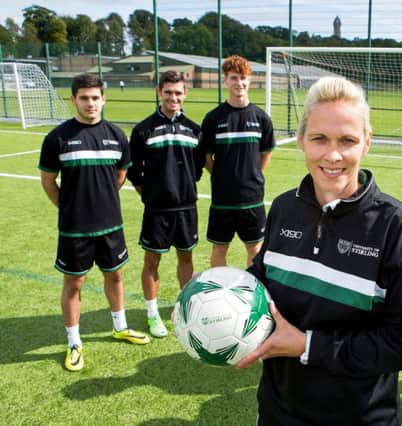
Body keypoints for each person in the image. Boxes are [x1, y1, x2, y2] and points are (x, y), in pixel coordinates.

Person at [236, 76, 402, 425]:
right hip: (277, 410)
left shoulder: (397, 228)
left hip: (361, 417)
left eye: (347, 140)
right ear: (301, 141)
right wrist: (226, 291)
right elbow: (264, 278)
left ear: (367, 143)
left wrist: (309, 346)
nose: (333, 155)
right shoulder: (284, 208)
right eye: (319, 139)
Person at [38, 73, 150, 372]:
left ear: (103, 99)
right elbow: (48, 181)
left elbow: (120, 176)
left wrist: (101, 203)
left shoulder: (116, 135)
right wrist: (69, 207)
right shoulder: (57, 138)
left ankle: (120, 326)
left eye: (95, 97)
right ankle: (74, 341)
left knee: (115, 277)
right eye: (84, 98)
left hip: (111, 225)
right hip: (75, 228)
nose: (90, 103)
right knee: (75, 283)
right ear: (73, 99)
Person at [127, 71, 204, 338]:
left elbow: (197, 170)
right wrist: (149, 194)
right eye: (168, 92)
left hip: (186, 208)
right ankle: (152, 314)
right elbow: (134, 171)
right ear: (159, 92)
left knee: (186, 259)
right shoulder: (143, 130)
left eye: (178, 92)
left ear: (185, 94)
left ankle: (184, 308)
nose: (173, 97)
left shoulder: (195, 130)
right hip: (157, 210)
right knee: (152, 261)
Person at [200, 55, 275, 268]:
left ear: (249, 80)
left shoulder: (261, 118)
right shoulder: (214, 118)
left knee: (254, 248)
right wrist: (222, 174)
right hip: (222, 197)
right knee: (219, 248)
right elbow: (206, 157)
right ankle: (217, 292)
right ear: (225, 80)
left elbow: (265, 154)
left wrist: (251, 175)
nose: (239, 83)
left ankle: (251, 291)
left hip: (252, 197)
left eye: (243, 78)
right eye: (234, 78)